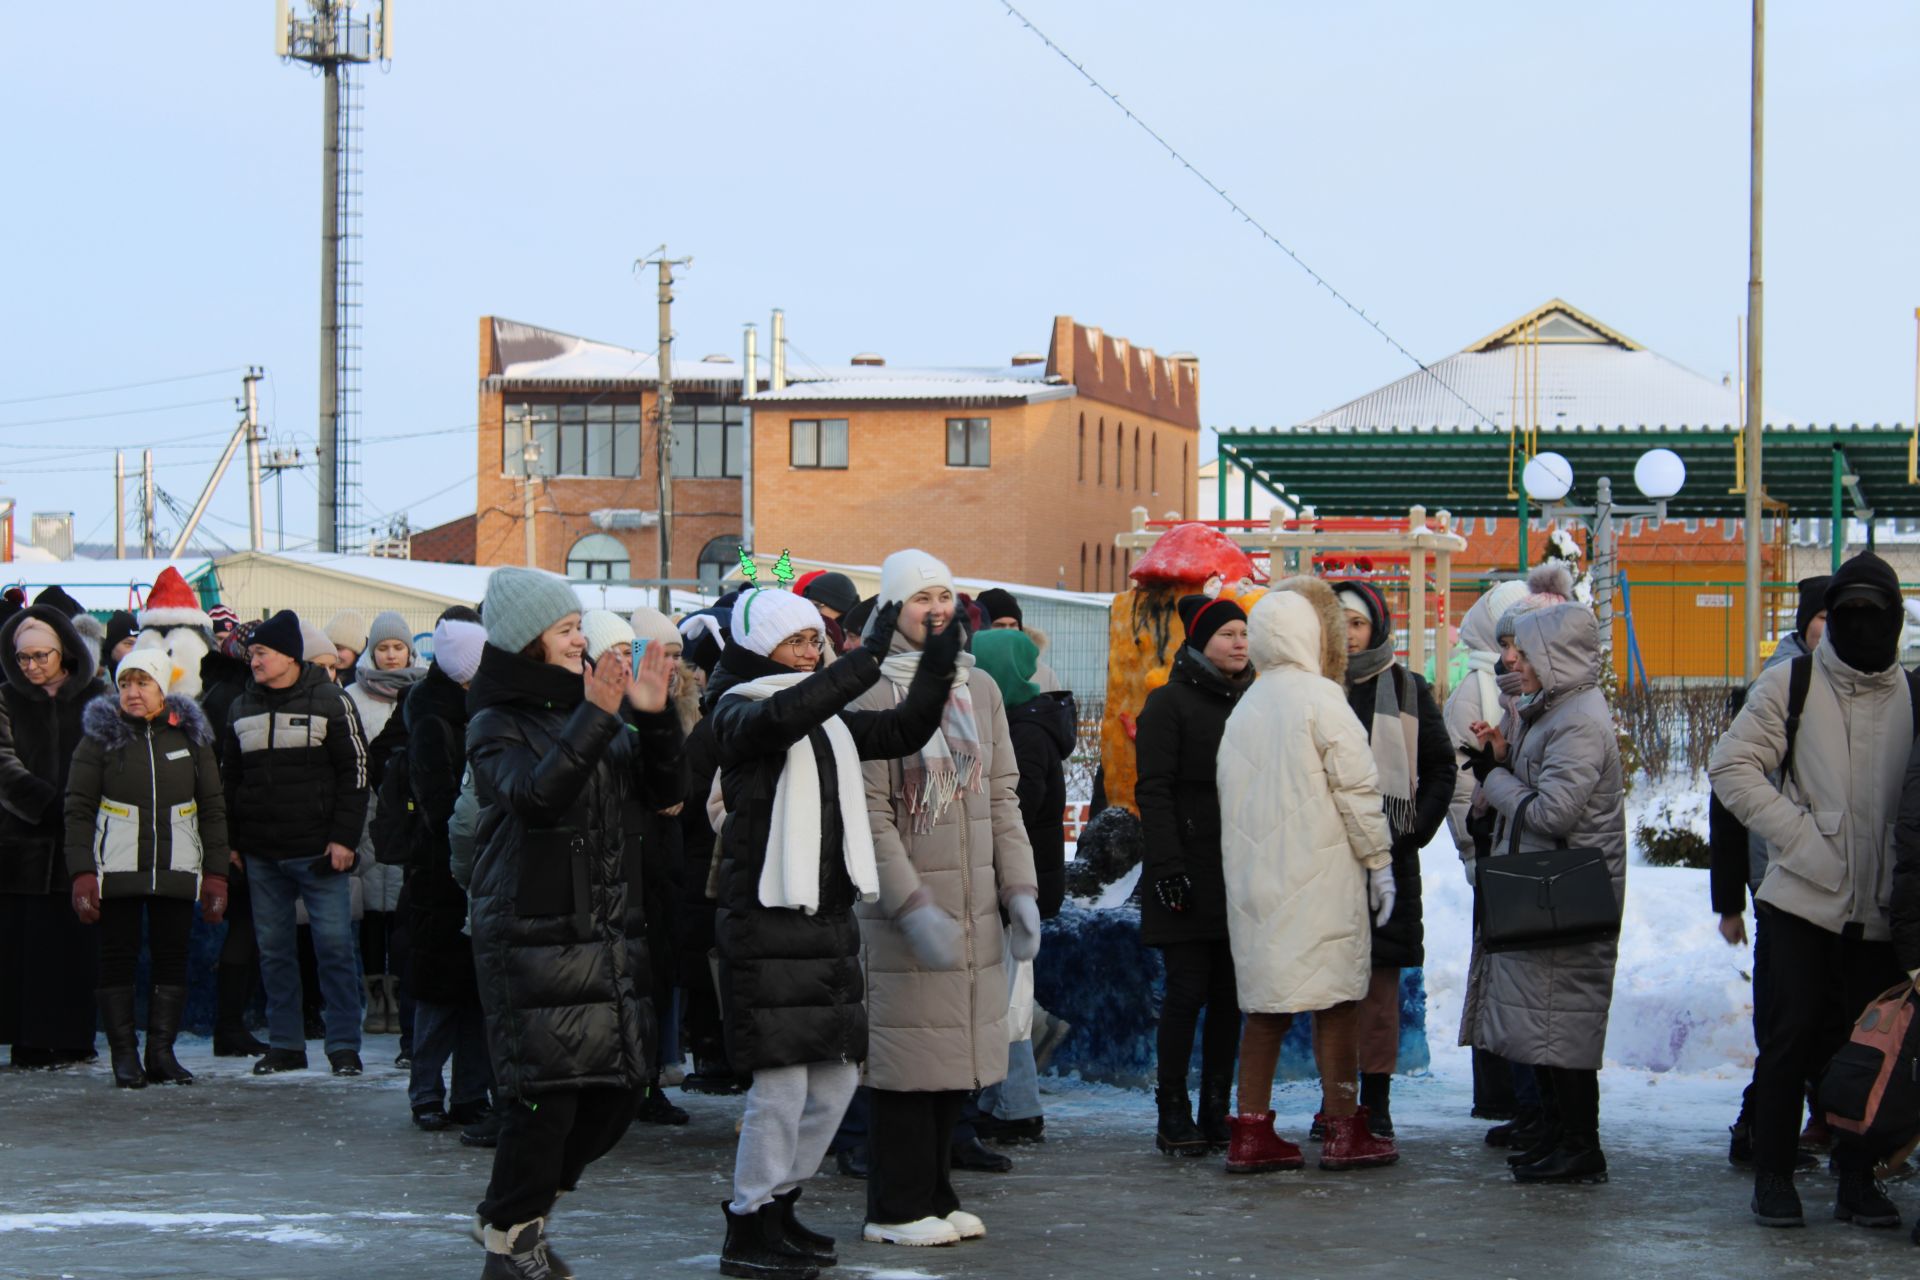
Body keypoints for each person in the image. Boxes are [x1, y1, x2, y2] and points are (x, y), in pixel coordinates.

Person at [708, 586, 958, 1279]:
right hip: (765, 921)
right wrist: (869, 653)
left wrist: (936, 665)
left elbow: (903, 731)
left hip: (825, 920)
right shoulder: (738, 710)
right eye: (797, 643)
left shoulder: (827, 715)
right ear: (761, 648)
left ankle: (782, 1205)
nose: (810, 654)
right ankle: (748, 1220)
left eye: (814, 642)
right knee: (782, 1088)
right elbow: (788, 714)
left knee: (835, 1081)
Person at [466, 568, 684, 1279]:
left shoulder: (595, 711)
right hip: (532, 928)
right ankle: (511, 1239)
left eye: (576, 630)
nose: (577, 641)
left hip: (607, 926)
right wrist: (598, 715)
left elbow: (666, 795)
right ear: (527, 641)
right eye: (564, 631)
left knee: (617, 1096)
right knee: (547, 1101)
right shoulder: (494, 720)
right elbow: (535, 798)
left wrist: (651, 717)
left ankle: (512, 1221)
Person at [1710, 553, 1912, 1229]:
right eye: (1846, 611)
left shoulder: (1914, 695)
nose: (1860, 626)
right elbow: (1731, 767)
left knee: (1869, 1057)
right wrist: (1800, 839)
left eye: (1873, 613)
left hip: (1880, 917)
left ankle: (1857, 1181)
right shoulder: (1790, 684)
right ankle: (1773, 1176)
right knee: (1787, 1042)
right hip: (1800, 904)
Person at [851, 549, 1041, 1248]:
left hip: (974, 905)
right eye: (918, 598)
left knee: (954, 1058)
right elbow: (868, 816)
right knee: (905, 1064)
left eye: (943, 597)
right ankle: (895, 1207)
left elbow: (1001, 797)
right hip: (906, 910)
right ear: (894, 611)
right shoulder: (870, 689)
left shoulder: (981, 690)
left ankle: (935, 1191)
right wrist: (910, 904)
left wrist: (1019, 890)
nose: (934, 609)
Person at [1216, 580, 1398, 1175]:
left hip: (1256, 886)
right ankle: (1345, 1128)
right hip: (1323, 877)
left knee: (1266, 1010)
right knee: (1338, 1003)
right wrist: (1379, 863)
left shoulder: (1242, 709)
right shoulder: (1323, 699)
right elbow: (1357, 789)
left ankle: (1250, 1132)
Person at [1468, 602, 1624, 1186]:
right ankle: (1561, 1136)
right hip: (1550, 889)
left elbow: (1555, 812)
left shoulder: (1578, 718)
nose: (1512, 661)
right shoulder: (1553, 710)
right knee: (1550, 1022)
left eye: (1524, 652)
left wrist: (1495, 778)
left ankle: (1581, 1146)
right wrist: (1506, 757)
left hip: (1569, 893)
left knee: (1566, 1024)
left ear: (1555, 657)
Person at [63, 646, 230, 1088]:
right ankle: (124, 1057)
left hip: (176, 868)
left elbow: (212, 808)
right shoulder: (99, 738)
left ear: (162, 687)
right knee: (116, 959)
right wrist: (82, 872)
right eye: (125, 684)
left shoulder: (191, 738)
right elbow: (78, 808)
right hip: (115, 869)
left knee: (172, 959)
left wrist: (215, 875)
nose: (133, 693)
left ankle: (161, 1054)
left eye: (143, 683)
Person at [1711, 575, 1832, 1166]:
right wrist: (1730, 899)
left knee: (1808, 1008)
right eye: (1826, 620)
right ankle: (1759, 1130)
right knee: (1792, 1011)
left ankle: (1810, 1121)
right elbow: (1728, 802)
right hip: (1780, 878)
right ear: (1807, 623)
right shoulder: (1778, 686)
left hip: (1818, 876)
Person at [221, 609, 372, 1078]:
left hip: (320, 852)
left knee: (333, 950)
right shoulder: (240, 706)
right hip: (262, 854)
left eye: (262, 653)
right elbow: (229, 779)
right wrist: (231, 842)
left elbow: (357, 773)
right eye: (251, 655)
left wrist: (344, 838)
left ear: (288, 655)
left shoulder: (331, 700)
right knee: (275, 952)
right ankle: (286, 1044)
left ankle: (343, 1045)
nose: (254, 662)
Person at [1334, 580, 1457, 1139]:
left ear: (1377, 628)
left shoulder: (1407, 688)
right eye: (1338, 622)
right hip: (1325, 858)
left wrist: (1411, 833)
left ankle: (1375, 1103)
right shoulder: (1312, 688)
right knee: (1331, 986)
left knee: (1379, 992)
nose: (1348, 634)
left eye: (1357, 623)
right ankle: (1335, 1101)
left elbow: (1440, 768)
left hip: (1389, 855)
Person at [1135, 593, 1253, 1156]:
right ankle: (1173, 1111)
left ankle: (1215, 1108)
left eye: (1243, 633)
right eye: (1227, 634)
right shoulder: (1168, 704)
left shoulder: (1253, 701)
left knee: (1232, 995)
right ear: (1201, 642)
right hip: (1185, 868)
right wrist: (1167, 866)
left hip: (1241, 870)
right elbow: (1152, 790)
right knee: (1187, 992)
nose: (1239, 643)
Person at [966, 628, 1075, 1148]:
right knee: (1008, 993)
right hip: (1020, 880)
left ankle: (1015, 1106)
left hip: (1015, 883)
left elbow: (1015, 807)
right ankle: (1006, 1103)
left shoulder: (1024, 730)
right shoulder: (1027, 722)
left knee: (1007, 997)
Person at [0, 601, 112, 1069]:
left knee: (74, 947)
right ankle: (27, 1039)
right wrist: (49, 805)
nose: (31, 667)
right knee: (23, 950)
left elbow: (114, 760)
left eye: (40, 657)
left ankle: (72, 1036)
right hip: (21, 845)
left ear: (63, 652)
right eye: (23, 658)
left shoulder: (99, 697)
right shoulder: (5, 698)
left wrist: (81, 813)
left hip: (83, 846)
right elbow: (3, 764)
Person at [1442, 578, 1531, 1123]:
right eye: (1505, 637)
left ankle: (1516, 1096)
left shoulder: (1526, 681)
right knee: (1497, 975)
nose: (1511, 650)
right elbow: (1459, 780)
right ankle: (1498, 1094)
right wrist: (1472, 853)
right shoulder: (1474, 689)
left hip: (1524, 847)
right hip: (1495, 850)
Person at [402, 614, 493, 1133]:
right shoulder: (434, 715)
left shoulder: (472, 704)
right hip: (443, 868)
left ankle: (467, 1094)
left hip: (471, 862)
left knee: (475, 994)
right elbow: (438, 806)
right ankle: (427, 1092)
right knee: (440, 993)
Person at [347, 611, 427, 1037]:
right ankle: (375, 1000)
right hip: (369, 816)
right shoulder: (352, 697)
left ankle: (402, 996)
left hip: (411, 818)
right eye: (383, 648)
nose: (392, 655)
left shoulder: (426, 691)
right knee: (371, 916)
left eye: (398, 647)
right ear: (372, 651)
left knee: (403, 911)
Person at [325, 610, 368, 688]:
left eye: (339, 648)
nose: (333, 653)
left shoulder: (367, 683)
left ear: (356, 651)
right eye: (329, 647)